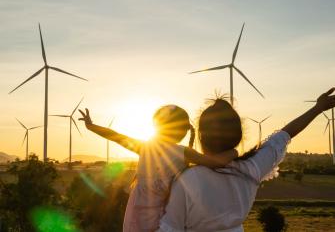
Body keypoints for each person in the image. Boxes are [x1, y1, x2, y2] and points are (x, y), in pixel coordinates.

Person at [157, 88, 335, 232]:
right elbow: (285, 134)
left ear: (202, 136)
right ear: (238, 135)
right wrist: (318, 108)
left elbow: (170, 228)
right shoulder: (251, 168)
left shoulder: (188, 180)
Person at [78, 104, 238, 232]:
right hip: (164, 214)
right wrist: (234, 152)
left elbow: (115, 136)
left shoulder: (145, 146)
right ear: (182, 130)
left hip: (138, 212)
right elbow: (214, 162)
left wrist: (91, 126)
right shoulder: (184, 152)